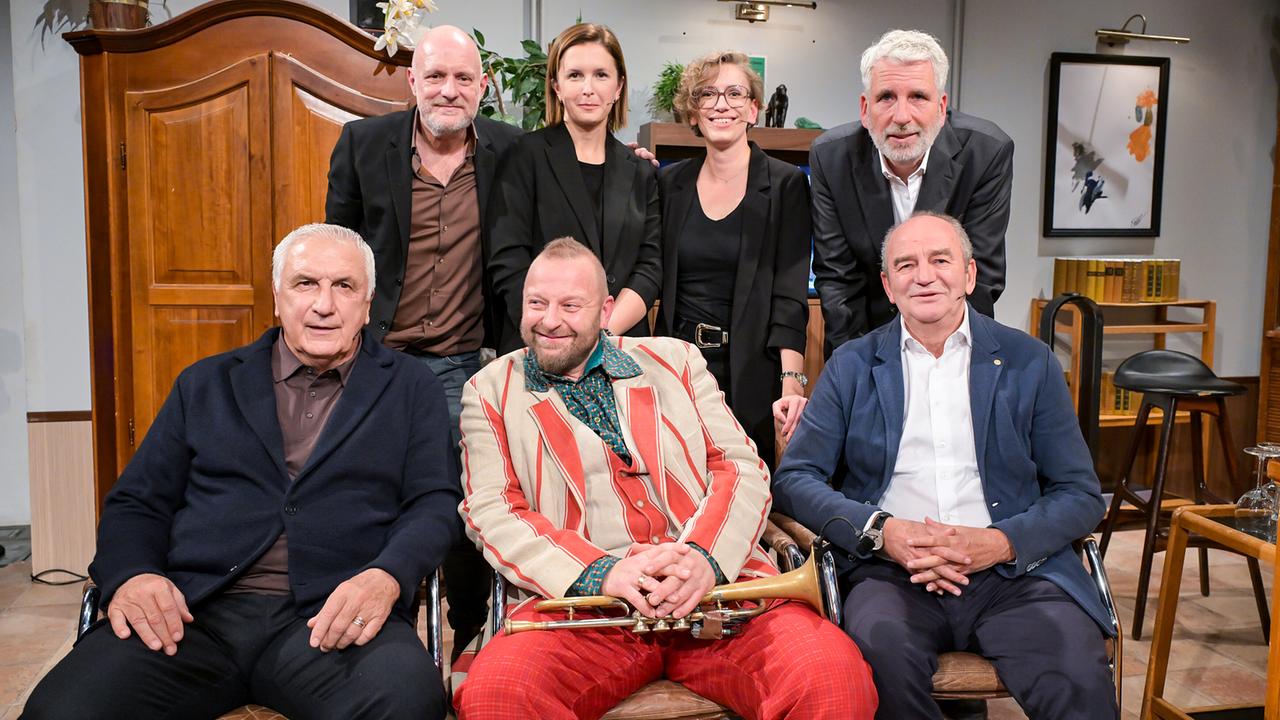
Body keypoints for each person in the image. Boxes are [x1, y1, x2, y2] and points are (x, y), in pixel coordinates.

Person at [22, 224, 461, 720]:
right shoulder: (205, 382)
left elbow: (434, 502)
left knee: (406, 702)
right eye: (305, 284)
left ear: (368, 303)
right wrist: (135, 574)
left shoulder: (410, 388)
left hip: (332, 617)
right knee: (60, 709)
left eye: (344, 286)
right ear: (277, 297)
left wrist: (387, 575)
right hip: (195, 616)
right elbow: (138, 501)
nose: (324, 304)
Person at [452, 238, 876, 719]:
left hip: (725, 601)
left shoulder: (677, 361)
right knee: (496, 695)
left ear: (606, 310)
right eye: (537, 303)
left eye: (571, 305)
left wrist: (702, 558)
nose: (550, 320)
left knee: (835, 678)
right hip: (582, 616)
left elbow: (740, 467)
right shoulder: (487, 392)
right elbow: (493, 511)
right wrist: (604, 573)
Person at [771, 212, 1118, 720]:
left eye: (940, 260)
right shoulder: (852, 364)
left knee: (1074, 668)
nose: (924, 275)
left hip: (1014, 575)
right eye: (906, 265)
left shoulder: (1030, 362)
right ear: (888, 286)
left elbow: (1080, 493)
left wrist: (1000, 542)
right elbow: (796, 480)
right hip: (889, 575)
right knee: (874, 659)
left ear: (970, 275)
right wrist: (881, 532)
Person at [324, 24, 523, 651]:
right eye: (435, 75)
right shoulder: (362, 144)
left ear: (482, 87)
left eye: (464, 78)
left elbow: (579, 176)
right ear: (412, 81)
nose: (448, 89)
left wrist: (637, 161)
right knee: (369, 494)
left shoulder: (511, 151)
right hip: (376, 358)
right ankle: (386, 632)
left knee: (464, 501)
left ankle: (465, 634)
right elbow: (340, 250)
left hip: (464, 362)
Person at [810, 29, 1013, 354]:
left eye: (918, 97)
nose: (902, 117)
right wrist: (859, 369)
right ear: (865, 109)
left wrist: (942, 359)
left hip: (954, 343)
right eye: (886, 97)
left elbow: (980, 276)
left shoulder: (985, 152)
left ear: (942, 106)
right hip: (861, 341)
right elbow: (838, 279)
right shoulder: (831, 158)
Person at [654, 50, 811, 466]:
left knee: (743, 492)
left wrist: (791, 383)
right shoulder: (669, 183)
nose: (721, 104)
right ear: (693, 111)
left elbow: (790, 295)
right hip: (676, 371)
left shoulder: (785, 184)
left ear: (754, 109)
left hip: (750, 373)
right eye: (707, 94)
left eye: (735, 93)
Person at [487, 23, 662, 353]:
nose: (588, 88)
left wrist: (602, 331)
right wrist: (557, 328)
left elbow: (650, 267)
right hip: (542, 342)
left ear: (619, 86)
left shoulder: (641, 171)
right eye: (575, 75)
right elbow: (507, 260)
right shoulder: (525, 156)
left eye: (601, 75)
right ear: (556, 86)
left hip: (620, 344)